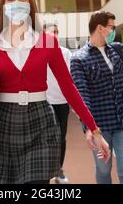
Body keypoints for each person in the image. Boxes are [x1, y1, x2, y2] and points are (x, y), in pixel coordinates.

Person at [0, 0, 110, 184]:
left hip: (40, 121)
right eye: (10, 0)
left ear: (31, 5)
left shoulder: (47, 41)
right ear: (3, 7)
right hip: (4, 122)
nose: (16, 4)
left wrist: (93, 129)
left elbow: (68, 87)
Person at [71, 11, 123, 184]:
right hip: (100, 127)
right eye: (112, 27)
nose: (114, 31)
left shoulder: (119, 50)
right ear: (100, 28)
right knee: (104, 171)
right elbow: (83, 97)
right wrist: (89, 127)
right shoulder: (79, 59)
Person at [44, 23, 72, 184]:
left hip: (61, 102)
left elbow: (69, 79)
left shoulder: (65, 52)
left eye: (56, 32)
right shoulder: (38, 52)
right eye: (50, 32)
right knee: (45, 139)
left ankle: (58, 170)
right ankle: (45, 171)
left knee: (61, 138)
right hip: (44, 102)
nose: (54, 35)